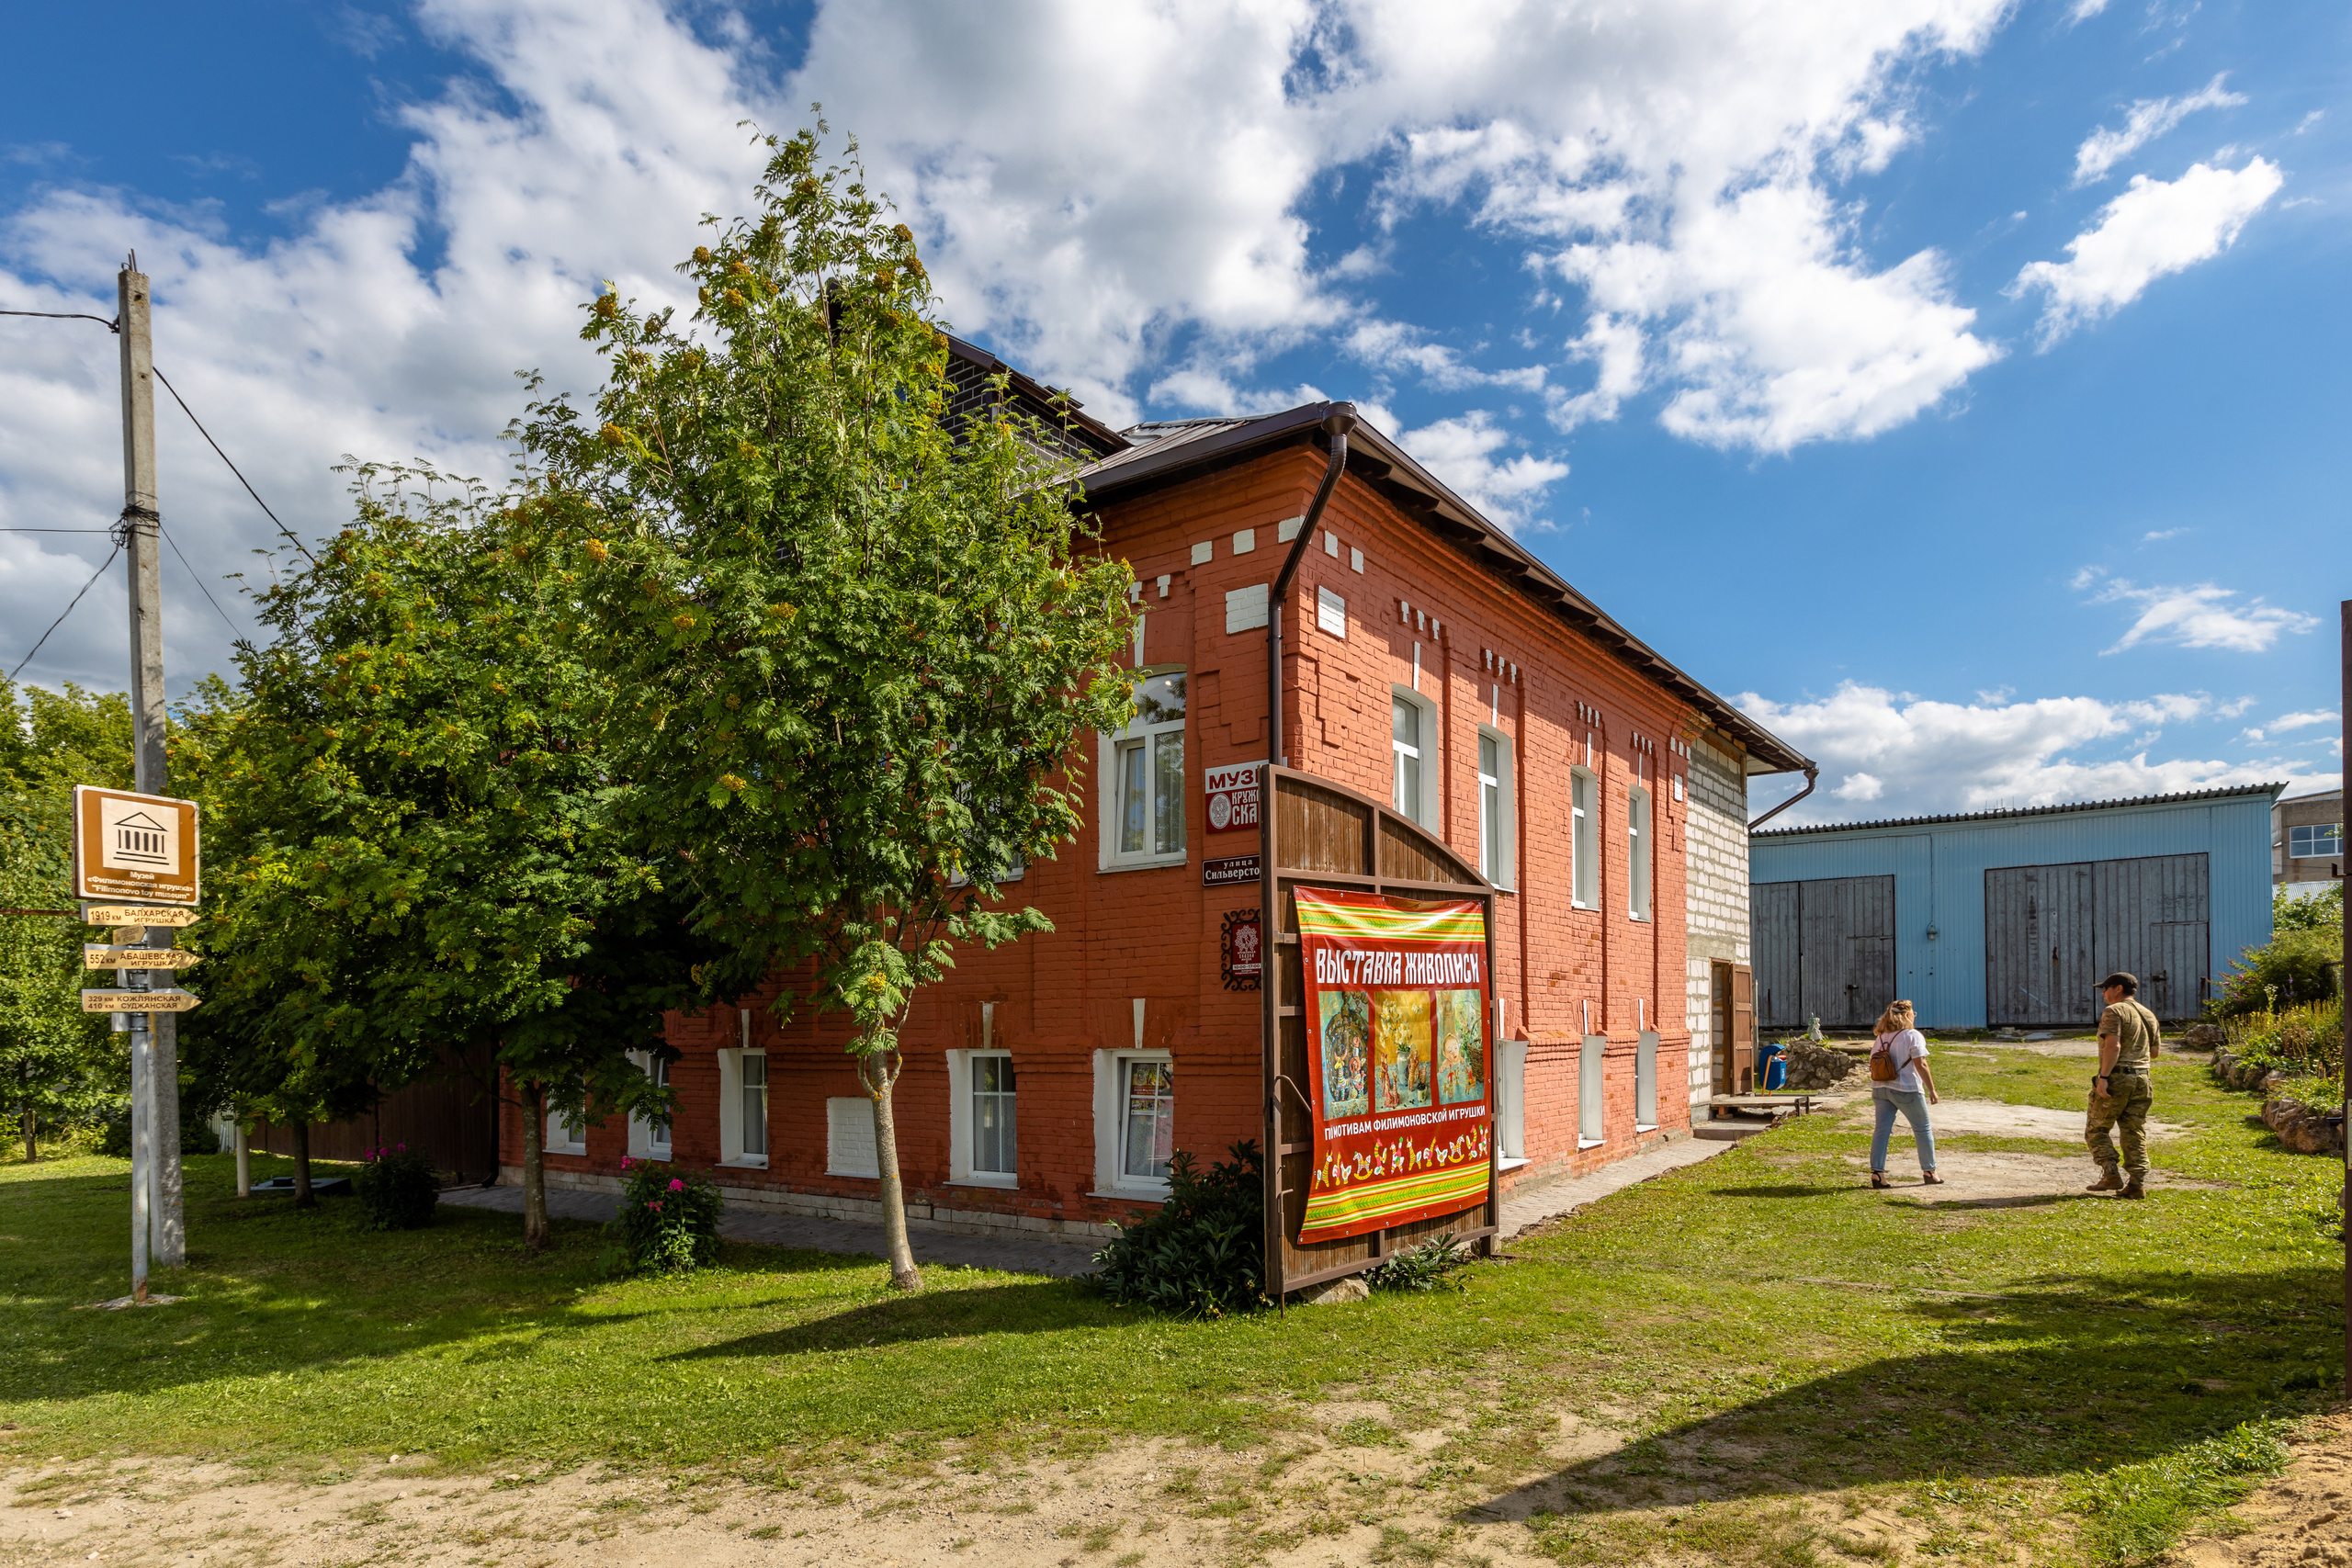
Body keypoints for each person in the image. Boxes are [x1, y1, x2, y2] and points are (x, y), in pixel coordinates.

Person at [2085, 971, 2162, 1199]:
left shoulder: (2114, 1011)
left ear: (2118, 988)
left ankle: (2110, 1174)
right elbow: (2155, 1052)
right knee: (2133, 1130)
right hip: (2143, 1078)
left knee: (2096, 1128)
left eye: (2105, 988)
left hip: (2118, 1076)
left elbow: (2113, 1046)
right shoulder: (2148, 1014)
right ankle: (2136, 1184)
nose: (2103, 993)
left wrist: (2104, 1077)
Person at [1868, 999, 1942, 1190]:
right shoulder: (1912, 1035)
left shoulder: (1881, 1037)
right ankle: (1930, 1171)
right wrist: (1932, 1089)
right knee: (1922, 1129)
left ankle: (1878, 1173)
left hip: (1880, 1088)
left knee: (1881, 1131)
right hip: (1906, 1088)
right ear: (1909, 1015)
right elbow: (1921, 1064)